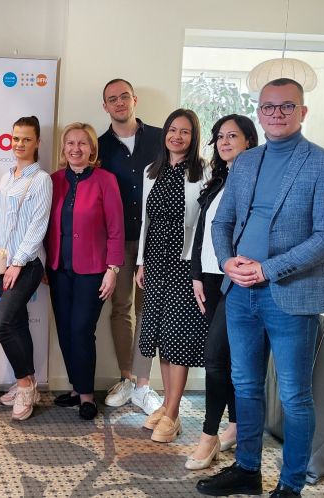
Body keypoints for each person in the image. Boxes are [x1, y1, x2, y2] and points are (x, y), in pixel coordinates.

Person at [198, 78, 324, 498]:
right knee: (245, 386)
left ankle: (290, 484)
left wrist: (268, 269)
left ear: (303, 112)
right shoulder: (246, 162)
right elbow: (223, 221)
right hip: (239, 291)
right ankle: (247, 470)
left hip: (291, 293)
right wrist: (227, 261)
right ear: (259, 112)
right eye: (268, 107)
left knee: (295, 395)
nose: (276, 114)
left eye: (286, 106)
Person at [184, 115, 258, 470]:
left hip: (237, 280)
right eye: (220, 137)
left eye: (233, 136)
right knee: (225, 359)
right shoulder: (219, 179)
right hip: (211, 278)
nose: (225, 142)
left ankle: (208, 435)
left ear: (249, 141)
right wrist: (197, 276)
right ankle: (237, 423)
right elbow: (203, 231)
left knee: (214, 358)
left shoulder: (255, 180)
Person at [135, 108, 209, 444]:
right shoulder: (153, 171)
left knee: (178, 337)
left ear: (193, 138)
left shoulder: (203, 172)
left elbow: (203, 224)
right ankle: (166, 405)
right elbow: (145, 222)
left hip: (184, 265)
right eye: (172, 130)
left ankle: (174, 414)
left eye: (185, 132)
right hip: (155, 263)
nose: (177, 137)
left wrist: (198, 270)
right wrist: (141, 263)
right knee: (162, 337)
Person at [44, 122, 124, 421]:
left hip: (93, 271)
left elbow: (116, 229)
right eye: (70, 143)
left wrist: (113, 269)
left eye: (82, 143)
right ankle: (77, 388)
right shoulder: (53, 180)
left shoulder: (106, 180)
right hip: (58, 268)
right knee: (65, 330)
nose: (76, 148)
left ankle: (87, 395)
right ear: (63, 148)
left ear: (92, 149)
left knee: (81, 330)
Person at [97, 79, 164, 415]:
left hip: (156, 238)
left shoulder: (161, 138)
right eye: (113, 99)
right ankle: (127, 378)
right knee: (121, 308)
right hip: (118, 239)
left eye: (124, 96)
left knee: (149, 309)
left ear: (135, 99)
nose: (120, 103)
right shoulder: (98, 146)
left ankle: (143, 385)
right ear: (105, 106)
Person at [0, 116, 52, 421]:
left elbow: (37, 226)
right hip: (3, 263)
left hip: (27, 264)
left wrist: (17, 263)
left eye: (26, 139)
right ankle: (27, 381)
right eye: (16, 138)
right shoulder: (6, 177)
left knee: (1, 324)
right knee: (16, 323)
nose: (20, 144)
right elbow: (0, 220)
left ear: (37, 142)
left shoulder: (41, 180)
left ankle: (26, 386)